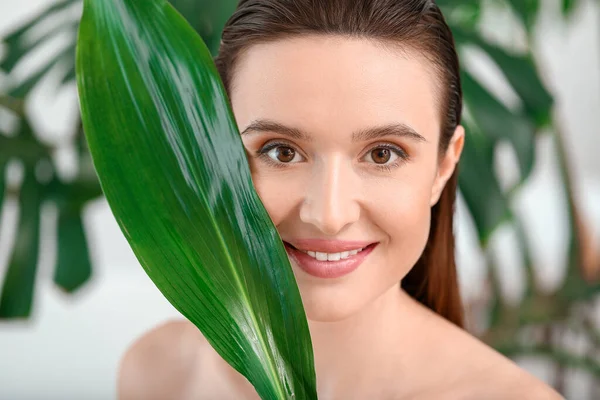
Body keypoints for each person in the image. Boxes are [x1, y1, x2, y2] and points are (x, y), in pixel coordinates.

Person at [117, 0, 564, 399]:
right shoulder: (158, 373)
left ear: (443, 167)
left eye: (383, 154)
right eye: (281, 151)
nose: (328, 216)